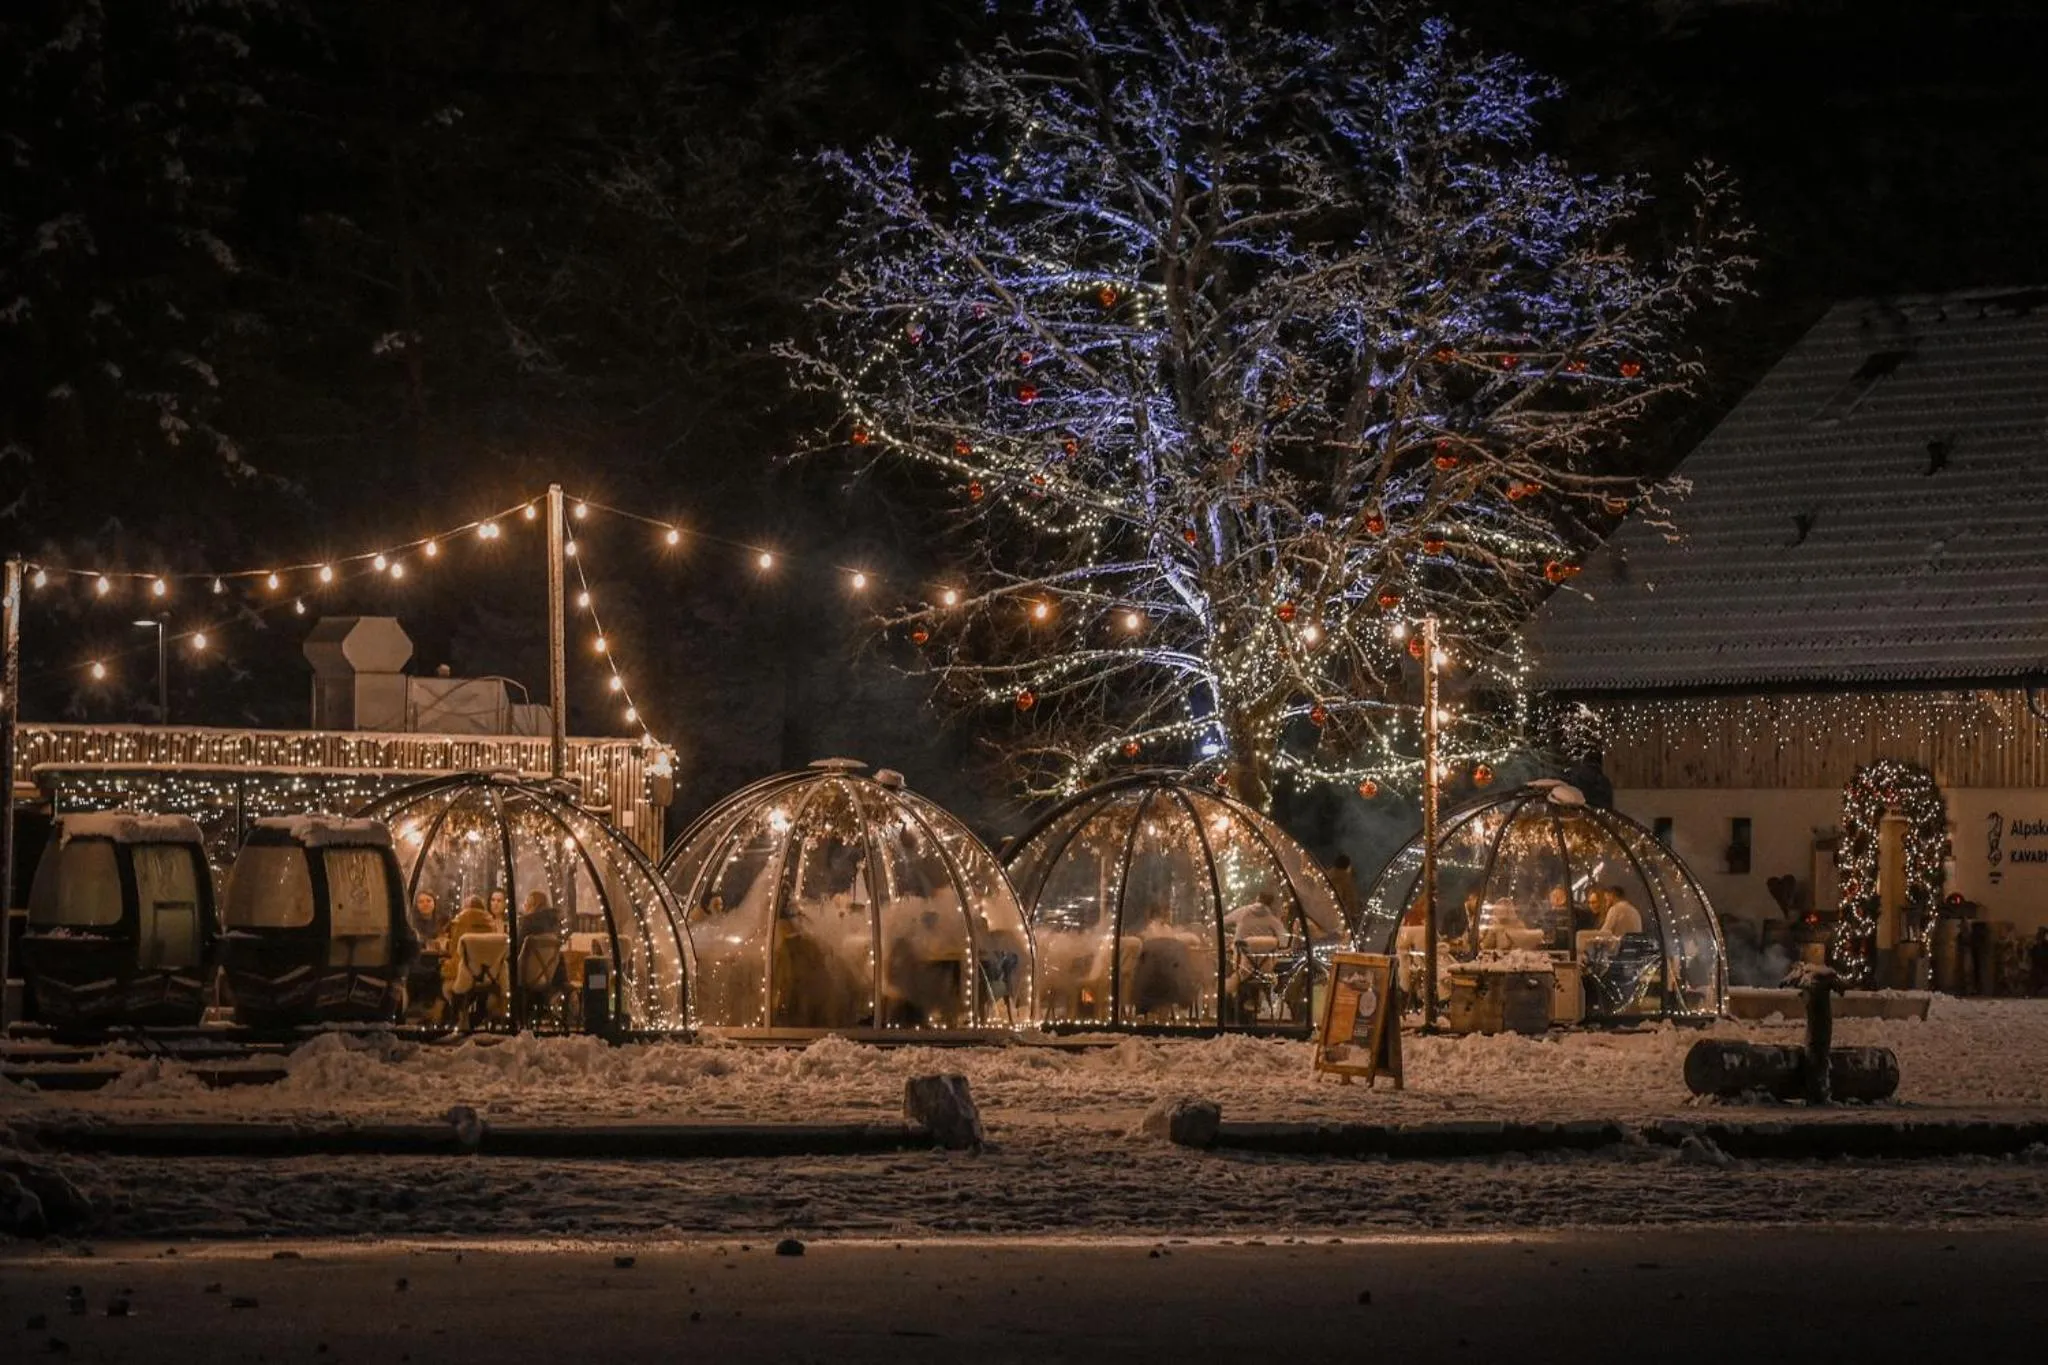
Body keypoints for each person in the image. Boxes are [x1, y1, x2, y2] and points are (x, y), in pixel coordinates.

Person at [1224, 890, 1289, 947]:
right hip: (1264, 960)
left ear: (1257, 898)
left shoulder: (1242, 912)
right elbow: (1284, 942)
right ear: (1271, 904)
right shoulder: (1273, 921)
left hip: (1240, 958)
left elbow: (1223, 921)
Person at [1327, 854, 1360, 931]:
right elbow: (1351, 901)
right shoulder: (1346, 880)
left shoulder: (1325, 877)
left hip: (1323, 919)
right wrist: (1354, 915)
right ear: (1348, 866)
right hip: (1341, 920)